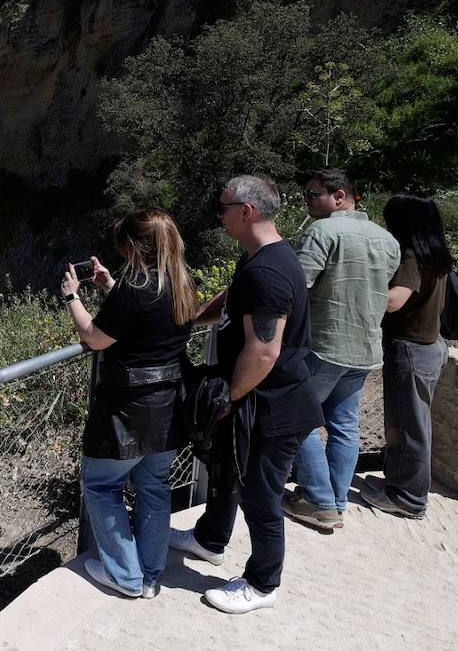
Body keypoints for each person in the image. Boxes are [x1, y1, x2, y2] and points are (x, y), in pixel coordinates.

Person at [168, 175, 324, 614]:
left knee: (260, 494)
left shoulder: (268, 272)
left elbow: (263, 350)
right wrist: (189, 319)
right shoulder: (258, 258)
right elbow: (234, 299)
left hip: (274, 405)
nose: (219, 215)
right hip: (257, 398)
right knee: (227, 472)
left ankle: (262, 583)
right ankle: (209, 539)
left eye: (223, 207)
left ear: (246, 211)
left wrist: (227, 398)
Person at [61, 208, 197, 600]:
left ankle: (125, 575)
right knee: (154, 486)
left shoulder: (135, 286)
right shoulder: (181, 282)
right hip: (168, 406)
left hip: (127, 409)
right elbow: (145, 321)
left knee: (102, 485)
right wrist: (110, 286)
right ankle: (150, 576)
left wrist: (72, 296)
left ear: (136, 247)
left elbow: (95, 337)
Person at [283, 169, 399, 532]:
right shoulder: (387, 240)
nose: (306, 200)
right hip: (365, 347)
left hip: (324, 345)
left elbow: (296, 288)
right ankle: (335, 501)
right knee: (345, 424)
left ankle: (319, 502)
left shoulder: (321, 232)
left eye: (312, 193)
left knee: (297, 419)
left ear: (339, 196)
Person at [359, 193, 453, 519]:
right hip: (430, 346)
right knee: (411, 424)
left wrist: (356, 295)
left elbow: (395, 300)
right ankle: (397, 484)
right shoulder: (435, 253)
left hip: (411, 349)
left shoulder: (411, 254)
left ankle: (408, 499)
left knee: (408, 427)